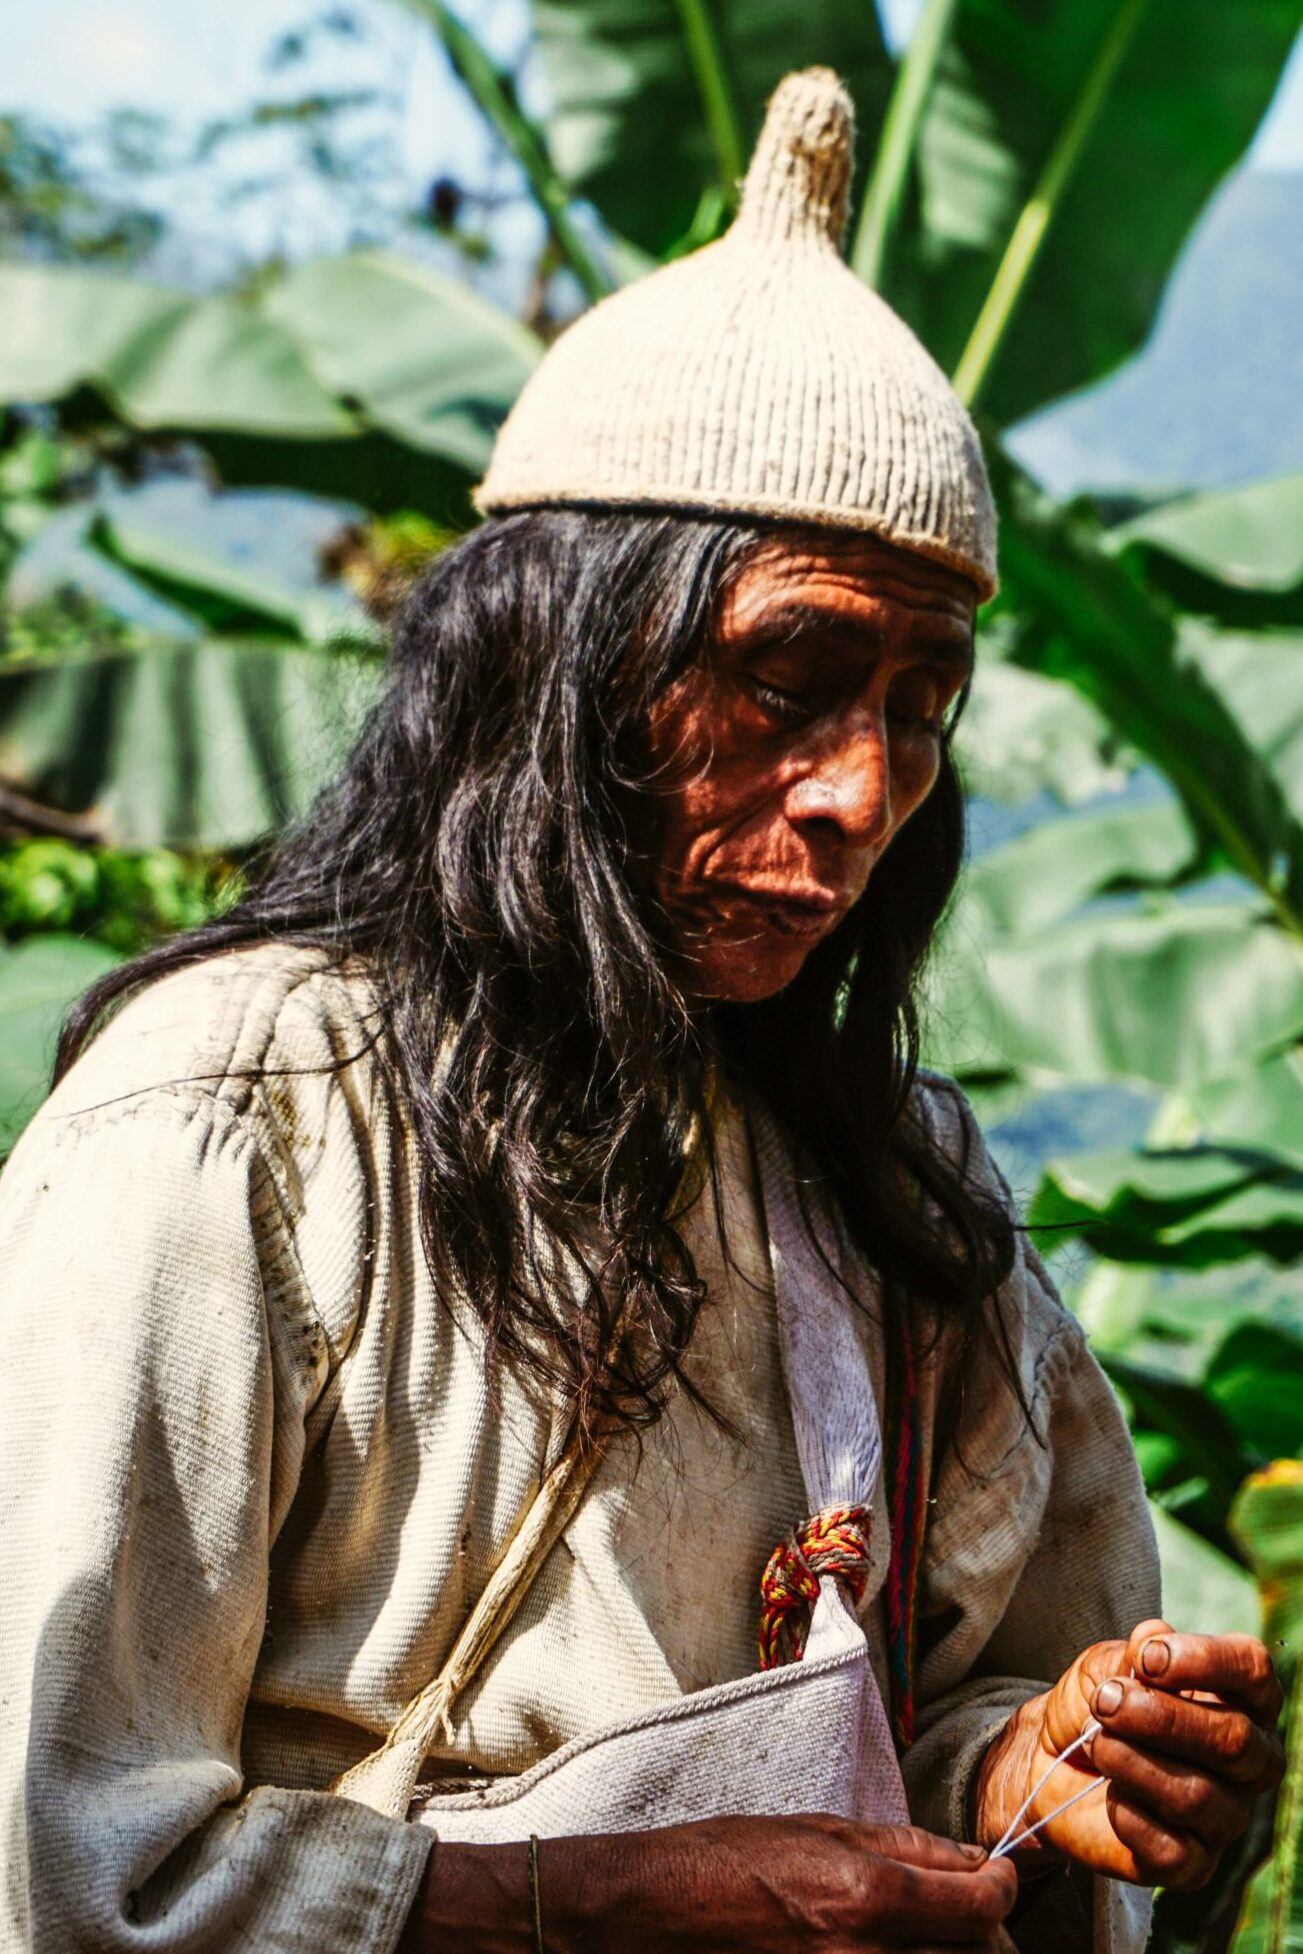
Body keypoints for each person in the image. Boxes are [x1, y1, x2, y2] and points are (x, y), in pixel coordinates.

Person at [0, 67, 1282, 1954]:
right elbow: (58, 1867)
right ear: (557, 673)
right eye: (789, 671)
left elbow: (969, 1708)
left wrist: (1039, 1777)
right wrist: (582, 1906)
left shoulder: (896, 1196)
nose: (864, 788)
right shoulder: (241, 1121)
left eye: (920, 703)